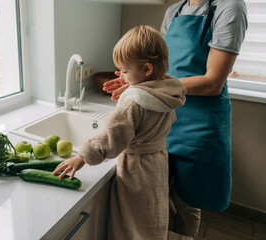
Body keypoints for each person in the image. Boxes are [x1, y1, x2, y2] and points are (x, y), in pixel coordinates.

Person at [103, 0, 248, 238]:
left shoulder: (230, 6)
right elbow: (159, 70)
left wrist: (148, 87)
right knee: (157, 195)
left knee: (187, 202)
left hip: (199, 125)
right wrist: (136, 81)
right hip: (163, 119)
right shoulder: (175, 11)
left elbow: (213, 82)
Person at [53, 25, 186, 239]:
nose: (121, 76)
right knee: (151, 217)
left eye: (124, 70)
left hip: (137, 170)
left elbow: (110, 139)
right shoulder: (166, 91)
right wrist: (132, 79)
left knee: (131, 223)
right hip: (157, 162)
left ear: (147, 70)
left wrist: (82, 156)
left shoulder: (133, 103)